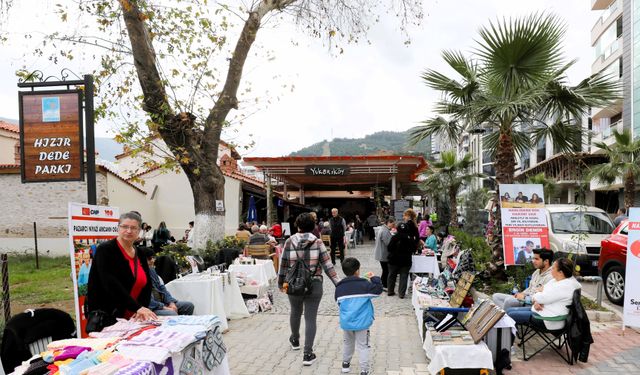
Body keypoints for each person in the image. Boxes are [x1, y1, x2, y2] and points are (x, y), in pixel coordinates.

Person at [278, 213, 341, 366]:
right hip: (314, 283)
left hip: (293, 284)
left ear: (297, 226)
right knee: (310, 318)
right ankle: (308, 353)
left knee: (295, 311)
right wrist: (338, 283)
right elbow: (328, 265)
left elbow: (284, 265)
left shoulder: (289, 241)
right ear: (313, 226)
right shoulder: (318, 242)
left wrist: (281, 283)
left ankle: (295, 339)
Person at [87, 212, 157, 322]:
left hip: (135, 317)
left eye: (133, 228)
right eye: (125, 226)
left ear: (139, 231)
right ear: (118, 228)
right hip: (109, 316)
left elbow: (147, 285)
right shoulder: (106, 250)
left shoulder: (140, 253)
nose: (129, 231)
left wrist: (142, 308)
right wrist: (137, 307)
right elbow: (110, 283)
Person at [335, 258, 383, 375]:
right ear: (357, 270)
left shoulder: (339, 287)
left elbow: (338, 302)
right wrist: (373, 277)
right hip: (362, 323)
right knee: (363, 346)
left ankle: (345, 364)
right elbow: (378, 290)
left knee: (348, 343)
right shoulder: (364, 284)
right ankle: (364, 370)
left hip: (347, 322)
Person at [507, 258, 581, 330]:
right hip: (543, 311)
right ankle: (506, 340)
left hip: (549, 319)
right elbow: (540, 294)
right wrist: (538, 299)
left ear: (560, 272)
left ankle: (506, 341)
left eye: (553, 268)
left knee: (510, 315)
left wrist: (538, 295)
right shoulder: (556, 281)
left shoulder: (564, 286)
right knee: (509, 311)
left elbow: (540, 296)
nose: (551, 269)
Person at [141, 247, 195, 316]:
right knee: (172, 313)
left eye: (153, 258)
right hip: (150, 308)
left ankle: (184, 325)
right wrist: (165, 307)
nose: (152, 260)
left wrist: (171, 303)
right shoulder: (139, 275)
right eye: (149, 259)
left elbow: (163, 289)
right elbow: (147, 302)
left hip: (162, 303)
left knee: (188, 306)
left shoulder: (152, 271)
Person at [386, 221, 416, 299]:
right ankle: (401, 294)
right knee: (404, 276)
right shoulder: (410, 238)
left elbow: (389, 248)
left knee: (392, 275)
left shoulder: (394, 237)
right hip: (406, 261)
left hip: (393, 260)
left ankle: (390, 291)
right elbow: (414, 249)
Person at [373, 217, 395, 290]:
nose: (393, 226)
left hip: (381, 253)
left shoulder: (383, 229)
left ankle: (383, 284)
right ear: (389, 222)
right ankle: (384, 284)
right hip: (383, 254)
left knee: (385, 270)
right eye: (393, 224)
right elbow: (388, 243)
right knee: (386, 270)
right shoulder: (385, 231)